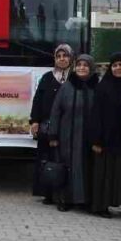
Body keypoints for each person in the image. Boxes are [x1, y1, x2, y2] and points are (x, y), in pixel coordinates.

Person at [45, 54, 98, 212]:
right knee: (67, 168)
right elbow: (55, 111)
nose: (82, 68)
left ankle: (86, 201)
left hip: (88, 137)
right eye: (79, 65)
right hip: (67, 137)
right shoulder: (67, 87)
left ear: (91, 67)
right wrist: (53, 135)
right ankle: (65, 199)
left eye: (85, 65)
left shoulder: (96, 87)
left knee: (88, 169)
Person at [88, 53, 121, 218]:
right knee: (106, 173)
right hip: (106, 139)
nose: (118, 68)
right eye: (115, 65)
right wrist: (96, 139)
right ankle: (101, 206)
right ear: (110, 68)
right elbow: (96, 114)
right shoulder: (103, 87)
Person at [31, 45, 73, 204]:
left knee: (65, 161)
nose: (62, 59)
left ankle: (64, 195)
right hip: (47, 127)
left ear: (71, 58)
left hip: (68, 129)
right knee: (46, 160)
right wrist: (34, 121)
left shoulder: (74, 78)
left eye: (65, 55)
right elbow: (37, 100)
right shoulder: (47, 77)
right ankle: (47, 194)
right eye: (59, 56)